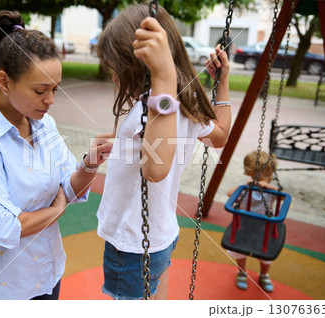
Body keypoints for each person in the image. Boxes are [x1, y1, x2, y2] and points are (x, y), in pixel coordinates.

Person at [0, 11, 113, 300]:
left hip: (46, 275)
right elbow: (4, 226)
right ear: (4, 81)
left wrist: (89, 164)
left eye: (55, 89)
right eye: (40, 90)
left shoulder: (42, 122)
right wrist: (58, 208)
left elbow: (68, 188)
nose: (50, 100)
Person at [95, 4, 232, 300]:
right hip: (162, 234)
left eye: (116, 70)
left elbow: (155, 170)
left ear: (140, 65)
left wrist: (164, 77)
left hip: (132, 242)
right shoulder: (184, 102)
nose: (115, 79)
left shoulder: (159, 104)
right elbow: (220, 135)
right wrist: (223, 83)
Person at [226, 150, 278, 293]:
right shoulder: (245, 187)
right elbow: (229, 193)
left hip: (264, 227)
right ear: (252, 174)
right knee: (240, 251)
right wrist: (246, 185)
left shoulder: (271, 190)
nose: (270, 177)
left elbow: (282, 199)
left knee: (265, 255)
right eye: (266, 174)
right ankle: (241, 272)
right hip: (245, 225)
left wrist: (270, 187)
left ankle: (264, 274)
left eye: (271, 174)